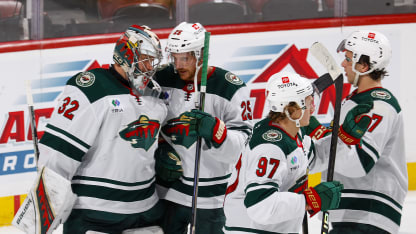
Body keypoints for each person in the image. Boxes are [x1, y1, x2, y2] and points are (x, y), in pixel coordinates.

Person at [37, 25, 168, 233]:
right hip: (95, 213)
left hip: (145, 212)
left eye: (153, 60)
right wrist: (49, 207)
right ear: (126, 54)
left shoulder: (156, 97)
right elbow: (57, 154)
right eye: (145, 58)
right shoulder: (92, 88)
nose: (150, 67)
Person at [153, 22, 254, 234]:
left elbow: (242, 144)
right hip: (167, 190)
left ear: (201, 54)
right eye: (175, 57)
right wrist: (159, 148)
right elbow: (147, 120)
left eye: (185, 58)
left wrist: (218, 133)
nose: (178, 65)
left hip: (210, 197)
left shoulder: (231, 88)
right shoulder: (162, 79)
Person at [311, 30, 407, 234]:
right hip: (352, 214)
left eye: (347, 59)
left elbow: (359, 162)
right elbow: (334, 149)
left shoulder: (379, 106)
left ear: (364, 66)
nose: (343, 64)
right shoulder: (354, 102)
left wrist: (339, 137)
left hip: (368, 213)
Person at [223, 71, 344, 233]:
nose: (313, 108)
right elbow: (259, 205)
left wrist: (343, 138)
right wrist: (308, 200)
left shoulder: (291, 132)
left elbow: (312, 158)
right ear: (292, 110)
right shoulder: (269, 146)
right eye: (308, 103)